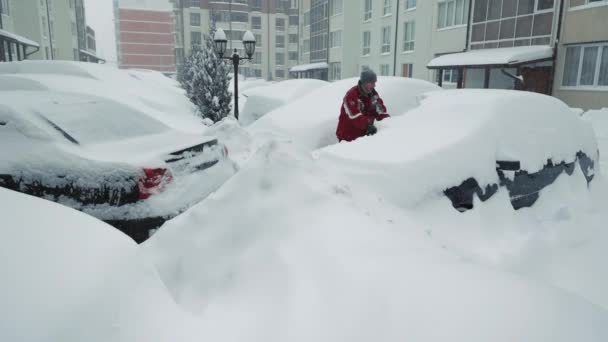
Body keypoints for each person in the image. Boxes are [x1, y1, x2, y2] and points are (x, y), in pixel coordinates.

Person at [336, 69, 390, 142]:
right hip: (347, 138)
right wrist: (368, 125)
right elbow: (354, 117)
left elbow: (380, 111)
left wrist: (388, 121)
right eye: (372, 83)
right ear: (364, 83)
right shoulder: (351, 95)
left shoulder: (373, 94)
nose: (374, 85)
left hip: (363, 137)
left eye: (375, 82)